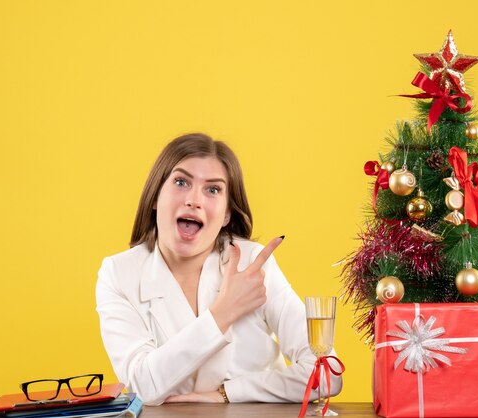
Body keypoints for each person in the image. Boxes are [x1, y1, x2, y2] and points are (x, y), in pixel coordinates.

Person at [96, 133, 342, 406]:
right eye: (181, 182)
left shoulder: (253, 263)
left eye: (212, 190)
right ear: (155, 196)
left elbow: (328, 372)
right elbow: (142, 386)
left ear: (226, 214)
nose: (194, 200)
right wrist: (222, 313)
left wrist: (229, 393)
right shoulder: (118, 273)